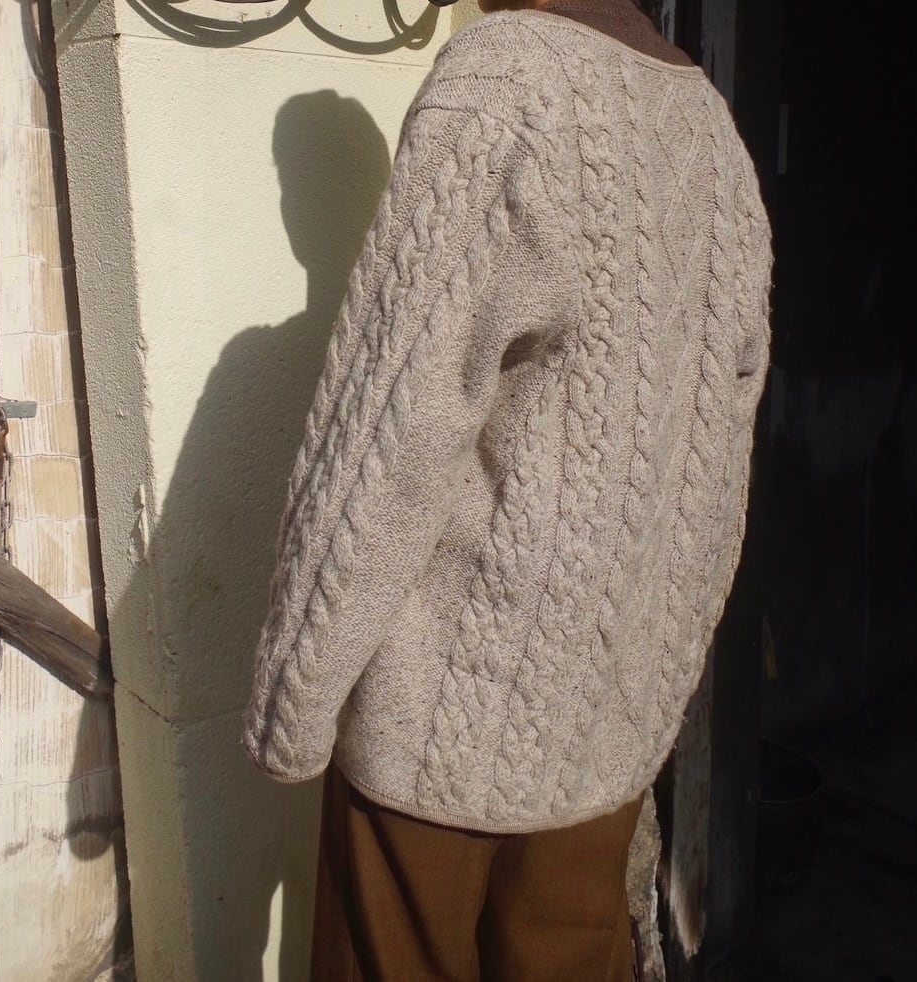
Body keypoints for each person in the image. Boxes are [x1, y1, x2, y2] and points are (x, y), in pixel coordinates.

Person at [244, 0, 772, 977]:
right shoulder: (711, 128)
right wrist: (653, 694)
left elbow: (391, 427)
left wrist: (293, 704)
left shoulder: (504, 81)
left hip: (432, 750)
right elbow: (718, 458)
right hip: (600, 746)